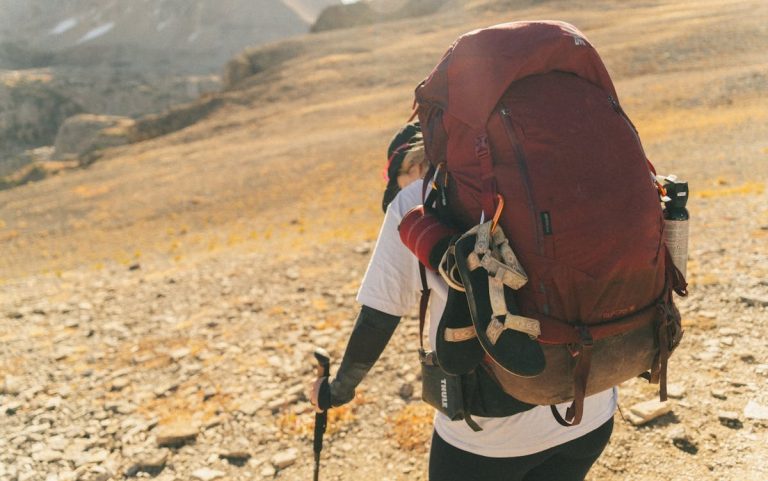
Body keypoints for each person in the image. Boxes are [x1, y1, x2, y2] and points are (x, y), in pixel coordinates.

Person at [310, 127, 617, 481]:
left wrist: (336, 391)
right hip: (590, 409)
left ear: (416, 163)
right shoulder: (550, 172)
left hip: (491, 436)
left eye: (395, 177)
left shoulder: (416, 200)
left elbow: (378, 319)